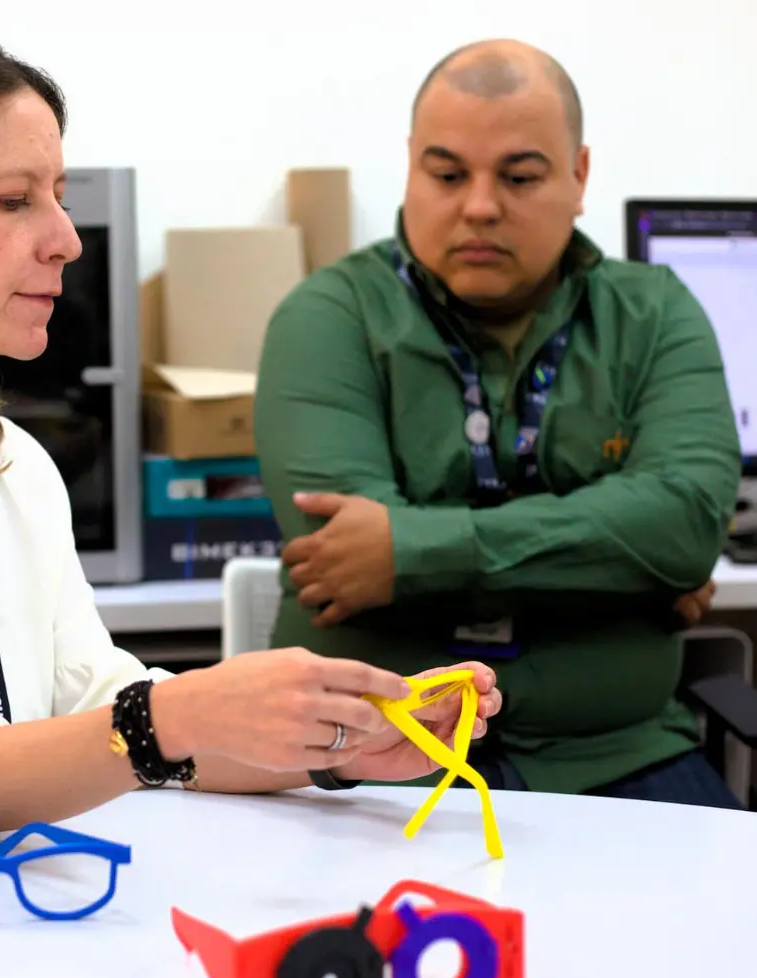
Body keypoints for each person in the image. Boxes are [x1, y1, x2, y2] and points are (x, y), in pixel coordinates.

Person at [0, 31, 501, 862]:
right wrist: (172, 718)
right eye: (16, 200)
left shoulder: (12, 469)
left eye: (58, 196)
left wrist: (336, 747)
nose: (67, 238)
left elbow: (98, 713)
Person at [254, 39, 742, 806]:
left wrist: (409, 552)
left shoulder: (656, 314)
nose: (480, 205)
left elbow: (683, 527)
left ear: (578, 177)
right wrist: (620, 568)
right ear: (412, 165)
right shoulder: (328, 316)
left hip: (620, 755)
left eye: (519, 176)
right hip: (371, 761)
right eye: (447, 175)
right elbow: (340, 560)